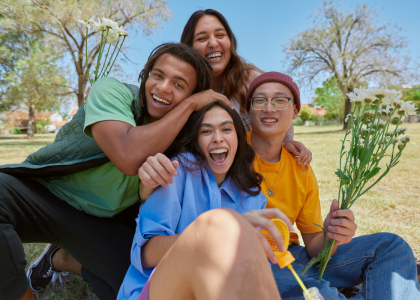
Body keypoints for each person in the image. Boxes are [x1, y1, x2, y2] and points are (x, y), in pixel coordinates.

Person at [139, 72, 420, 299]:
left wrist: (333, 234)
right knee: (319, 293)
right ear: (248, 111)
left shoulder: (300, 166)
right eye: (260, 101)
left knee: (391, 246)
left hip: (294, 254)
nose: (269, 108)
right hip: (255, 256)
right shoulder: (228, 150)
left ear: (295, 110)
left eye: (280, 100)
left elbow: (313, 245)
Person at [0, 43, 232, 300]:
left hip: (102, 223)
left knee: (141, 291)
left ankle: (62, 259)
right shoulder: (112, 91)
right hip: (48, 196)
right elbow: (128, 154)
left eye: (179, 85)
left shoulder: (183, 136)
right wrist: (188, 105)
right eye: (158, 75)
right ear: (145, 75)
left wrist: (284, 143)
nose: (163, 88)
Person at [118, 101, 294, 300]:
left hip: (219, 291)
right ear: (195, 140)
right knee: (219, 225)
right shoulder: (177, 170)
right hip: (158, 290)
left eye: (227, 129)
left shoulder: (253, 196)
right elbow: (146, 253)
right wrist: (214, 235)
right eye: (206, 131)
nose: (218, 138)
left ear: (238, 138)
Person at [180, 9, 312, 165]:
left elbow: (279, 111)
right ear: (189, 48)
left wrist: (287, 141)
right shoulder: (182, 88)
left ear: (230, 42)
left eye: (220, 35)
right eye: (202, 38)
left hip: (251, 170)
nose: (213, 43)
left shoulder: (250, 80)